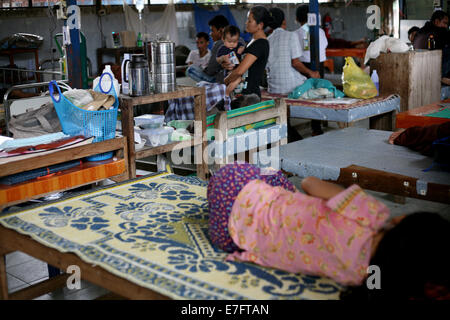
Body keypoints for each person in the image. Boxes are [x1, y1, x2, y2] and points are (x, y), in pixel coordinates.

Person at [208, 162, 450, 300]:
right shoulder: (362, 277)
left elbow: (308, 183)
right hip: (230, 239)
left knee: (271, 173)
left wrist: (344, 195)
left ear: (402, 222)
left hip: (230, 187)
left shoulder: (370, 213)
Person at [222, 6, 272, 109]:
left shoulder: (261, 44)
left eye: (249, 21)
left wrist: (224, 83)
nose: (246, 23)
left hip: (249, 98)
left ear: (260, 25)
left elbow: (240, 71)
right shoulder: (251, 42)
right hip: (242, 94)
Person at [293, 5, 327, 136]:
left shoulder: (296, 34)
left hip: (303, 67)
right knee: (318, 96)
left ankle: (293, 119)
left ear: (296, 18)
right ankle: (316, 127)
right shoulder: (321, 31)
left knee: (302, 94)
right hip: (319, 66)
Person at [186, 15, 230, 83]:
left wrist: (205, 69)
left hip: (219, 80)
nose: (210, 34)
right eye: (197, 43)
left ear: (221, 30)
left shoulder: (218, 44)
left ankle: (212, 86)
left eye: (212, 31)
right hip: (231, 78)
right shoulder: (238, 41)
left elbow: (210, 71)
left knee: (190, 69)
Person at [216, 25, 246, 96]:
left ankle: (231, 94)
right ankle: (226, 93)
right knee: (238, 79)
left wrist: (242, 49)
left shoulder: (239, 45)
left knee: (240, 82)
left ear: (238, 40)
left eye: (235, 42)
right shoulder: (222, 49)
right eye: (229, 42)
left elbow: (246, 53)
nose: (232, 44)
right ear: (223, 39)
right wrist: (223, 58)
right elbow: (217, 59)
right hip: (229, 73)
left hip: (239, 71)